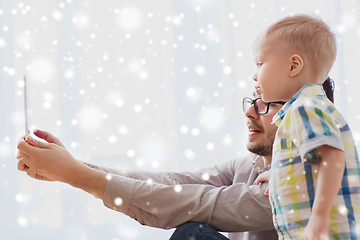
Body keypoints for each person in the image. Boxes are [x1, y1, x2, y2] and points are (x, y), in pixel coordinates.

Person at [15, 77, 334, 240]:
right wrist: (72, 168)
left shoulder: (305, 182)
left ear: (305, 117)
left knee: (194, 233)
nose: (251, 112)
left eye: (267, 105)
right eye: (253, 100)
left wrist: (78, 176)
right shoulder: (248, 166)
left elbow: (196, 203)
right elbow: (175, 184)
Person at [252, 14, 360, 239]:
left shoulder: (305, 108)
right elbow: (315, 161)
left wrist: (319, 219)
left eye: (260, 64)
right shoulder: (307, 109)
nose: (255, 76)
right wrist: (281, 173)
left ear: (294, 66)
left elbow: (332, 158)